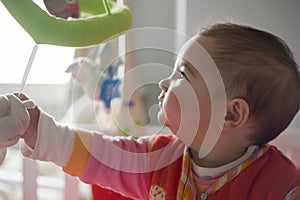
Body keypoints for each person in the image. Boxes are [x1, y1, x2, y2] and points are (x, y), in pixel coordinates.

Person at [6, 22, 300, 199]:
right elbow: (101, 156)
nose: (163, 82)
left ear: (231, 115)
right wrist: (38, 127)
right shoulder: (159, 160)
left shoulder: (280, 185)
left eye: (182, 75)